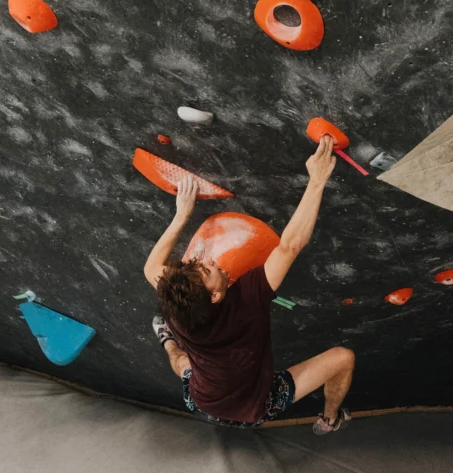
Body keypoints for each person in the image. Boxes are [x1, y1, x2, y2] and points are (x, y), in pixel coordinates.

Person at [144, 136, 354, 434]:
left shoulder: (177, 309)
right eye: (210, 270)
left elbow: (151, 268)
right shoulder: (248, 299)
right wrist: (317, 180)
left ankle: (166, 339)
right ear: (216, 295)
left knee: (181, 361)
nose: (214, 262)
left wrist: (181, 216)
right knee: (344, 358)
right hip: (257, 404)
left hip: (202, 400)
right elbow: (289, 246)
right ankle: (331, 419)